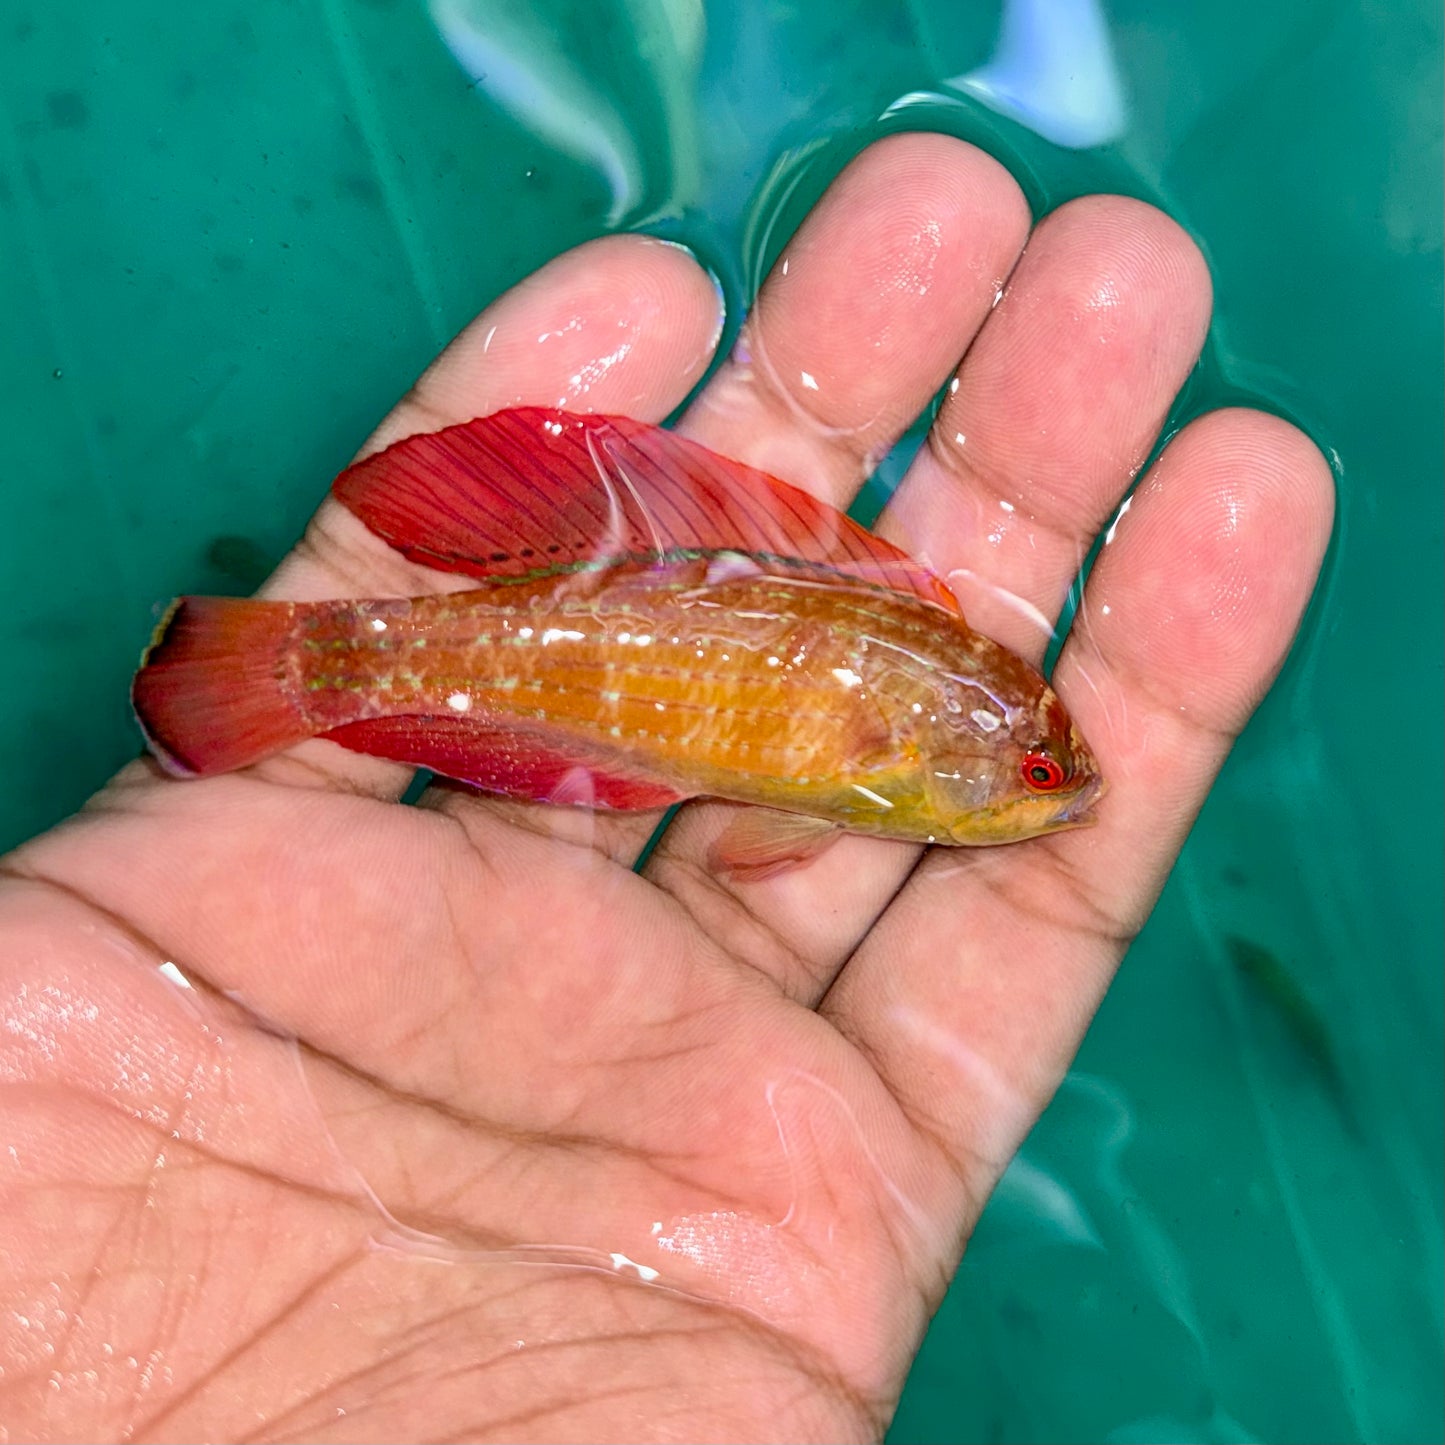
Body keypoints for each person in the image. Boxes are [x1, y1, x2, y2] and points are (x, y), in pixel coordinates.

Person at [0, 132, 1331, 1441]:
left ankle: (307, 668)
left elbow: (772, 814)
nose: (1050, 796)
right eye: (1037, 772)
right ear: (966, 760)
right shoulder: (914, 722)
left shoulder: (918, 699)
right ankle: (303, 666)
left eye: (1045, 772)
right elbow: (777, 827)